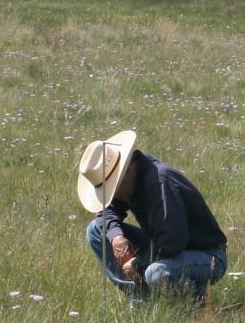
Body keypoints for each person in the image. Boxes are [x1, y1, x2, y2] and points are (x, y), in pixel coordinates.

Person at [77, 130, 228, 304]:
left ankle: (198, 300)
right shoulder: (133, 179)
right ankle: (141, 298)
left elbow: (171, 242)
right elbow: (106, 213)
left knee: (156, 273)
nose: (113, 195)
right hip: (165, 246)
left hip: (207, 256)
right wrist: (117, 238)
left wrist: (137, 264)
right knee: (96, 230)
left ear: (124, 174)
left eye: (112, 189)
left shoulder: (160, 183)